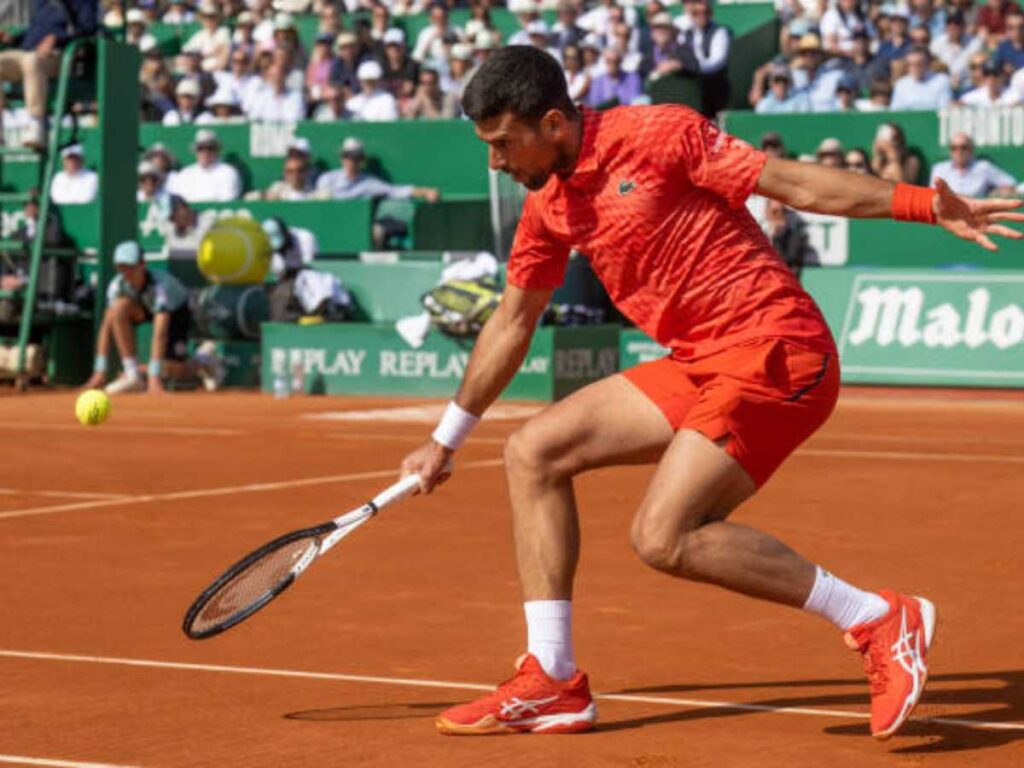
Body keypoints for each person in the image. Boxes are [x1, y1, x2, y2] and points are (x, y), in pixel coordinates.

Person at [400, 45, 1023, 739]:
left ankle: (877, 618)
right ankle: (552, 678)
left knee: (664, 537)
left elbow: (791, 184)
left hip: (776, 349)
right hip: (698, 362)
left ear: (552, 124)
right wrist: (445, 439)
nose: (495, 163)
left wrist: (923, 205)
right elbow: (514, 320)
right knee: (533, 452)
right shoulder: (547, 204)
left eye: (502, 143)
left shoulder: (658, 134)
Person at [82, 241, 223, 395]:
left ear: (142, 264)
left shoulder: (161, 287)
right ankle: (132, 375)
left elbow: (160, 333)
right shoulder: (117, 286)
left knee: (169, 371)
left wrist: (154, 377)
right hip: (144, 309)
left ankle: (203, 360)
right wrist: (99, 370)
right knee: (116, 310)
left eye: (131, 266)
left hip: (177, 314)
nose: (127, 272)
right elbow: (106, 326)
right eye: (122, 267)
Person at [0, 0, 98, 148]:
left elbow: (87, 28)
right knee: (25, 59)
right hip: (29, 53)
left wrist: (58, 39)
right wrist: (14, 39)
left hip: (60, 55)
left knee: (32, 60)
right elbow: (35, 30)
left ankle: (35, 123)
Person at [314, 136, 440, 201]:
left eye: (355, 156)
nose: (351, 160)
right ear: (341, 157)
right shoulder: (327, 179)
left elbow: (395, 191)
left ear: (362, 159)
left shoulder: (369, 183)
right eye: (347, 156)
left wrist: (424, 191)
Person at [930, 132, 1018, 196]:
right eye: (954, 148)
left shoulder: (983, 167)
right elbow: (932, 194)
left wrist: (994, 192)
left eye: (963, 147)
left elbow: (1010, 184)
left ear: (971, 149)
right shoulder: (939, 169)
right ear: (950, 151)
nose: (959, 152)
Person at [170, 129, 242, 202]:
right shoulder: (185, 174)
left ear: (216, 150)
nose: (205, 152)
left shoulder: (228, 172)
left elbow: (228, 200)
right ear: (195, 151)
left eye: (209, 148)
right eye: (200, 148)